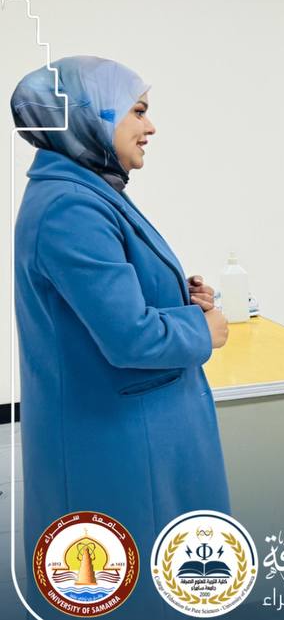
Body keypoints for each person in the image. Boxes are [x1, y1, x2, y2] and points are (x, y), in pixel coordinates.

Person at [13, 56, 230, 618]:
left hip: (131, 436)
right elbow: (130, 338)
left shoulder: (88, 189)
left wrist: (178, 297)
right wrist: (204, 329)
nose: (150, 126)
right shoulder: (72, 206)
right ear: (91, 115)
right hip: (119, 447)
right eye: (137, 110)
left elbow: (106, 301)